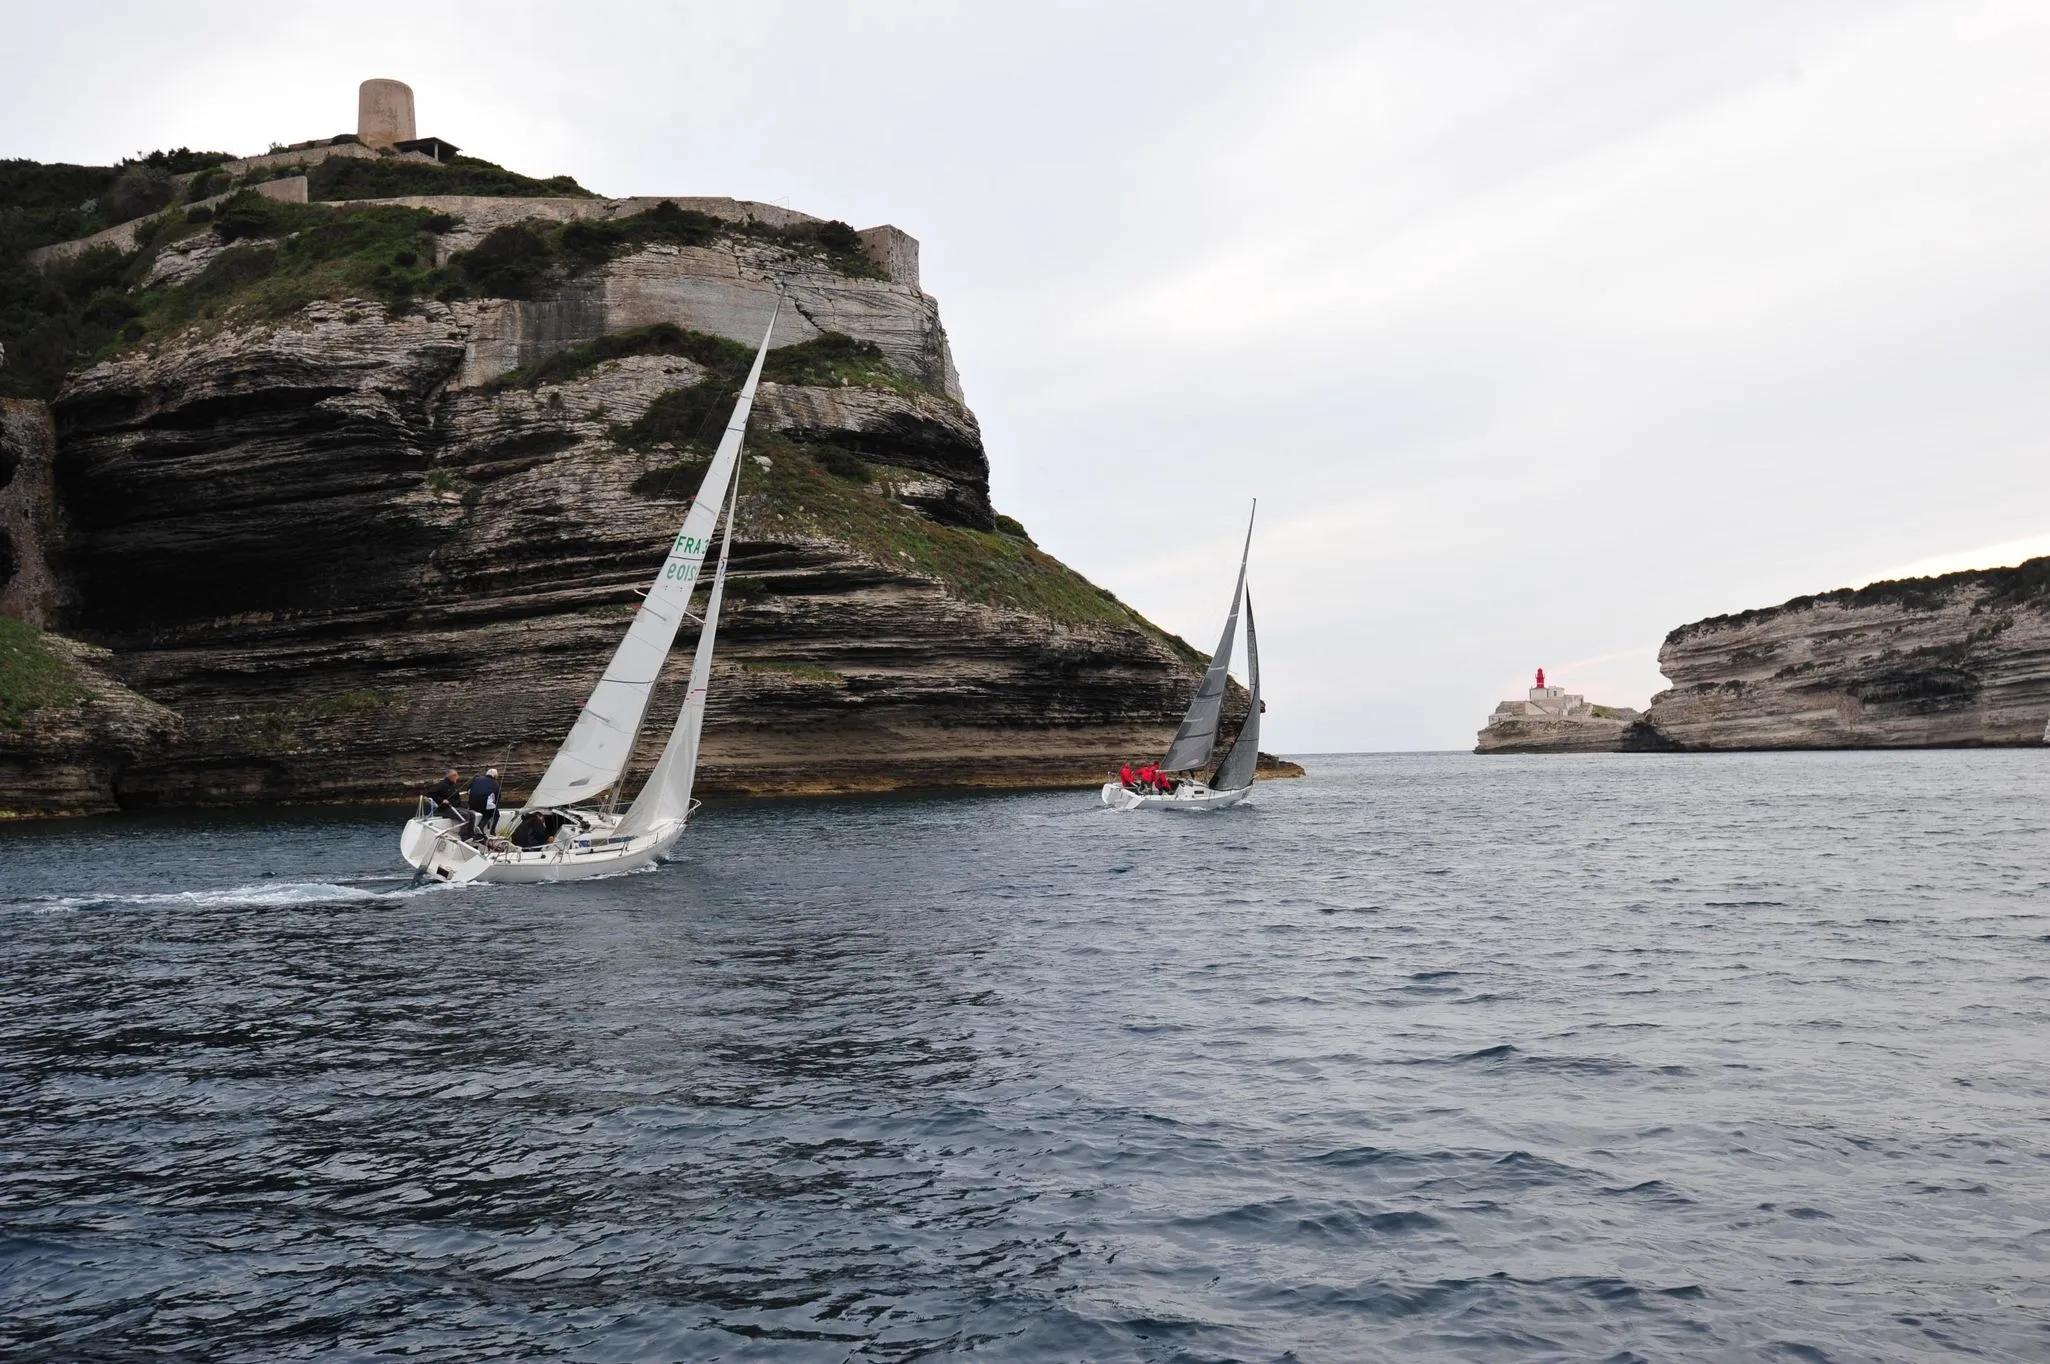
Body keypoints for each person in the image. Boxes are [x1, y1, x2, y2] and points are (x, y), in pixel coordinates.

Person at [468, 767, 502, 837]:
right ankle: (490, 831)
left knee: (485, 808)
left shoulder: (477, 779)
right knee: (494, 813)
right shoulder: (495, 784)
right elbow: (497, 797)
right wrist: (495, 807)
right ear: (495, 776)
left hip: (471, 804)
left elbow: (468, 789)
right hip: (483, 806)